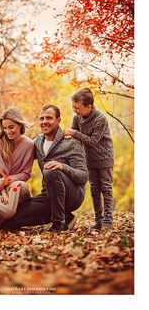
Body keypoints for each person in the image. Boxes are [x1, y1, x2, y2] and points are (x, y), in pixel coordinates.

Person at [1, 104, 88, 232]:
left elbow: (83, 176)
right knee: (11, 220)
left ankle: (59, 223)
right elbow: (20, 157)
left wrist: (62, 166)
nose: (44, 122)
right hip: (49, 195)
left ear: (58, 120)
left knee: (51, 171)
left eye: (49, 118)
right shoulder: (37, 143)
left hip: (73, 195)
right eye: (41, 119)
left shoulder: (71, 142)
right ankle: (67, 217)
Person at [64, 87, 114, 230]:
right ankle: (98, 221)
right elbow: (73, 136)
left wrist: (74, 133)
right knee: (94, 189)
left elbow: (92, 141)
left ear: (89, 106)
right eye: (73, 107)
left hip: (104, 158)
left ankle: (108, 221)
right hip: (89, 159)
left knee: (106, 188)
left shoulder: (100, 119)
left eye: (77, 107)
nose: (75, 110)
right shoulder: (77, 118)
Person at [0, 107, 35, 224]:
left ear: (20, 125)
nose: (8, 131)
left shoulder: (29, 145)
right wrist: (0, 186)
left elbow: (26, 173)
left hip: (15, 187)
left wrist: (10, 179)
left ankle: (3, 216)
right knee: (6, 211)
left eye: (11, 127)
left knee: (21, 186)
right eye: (5, 128)